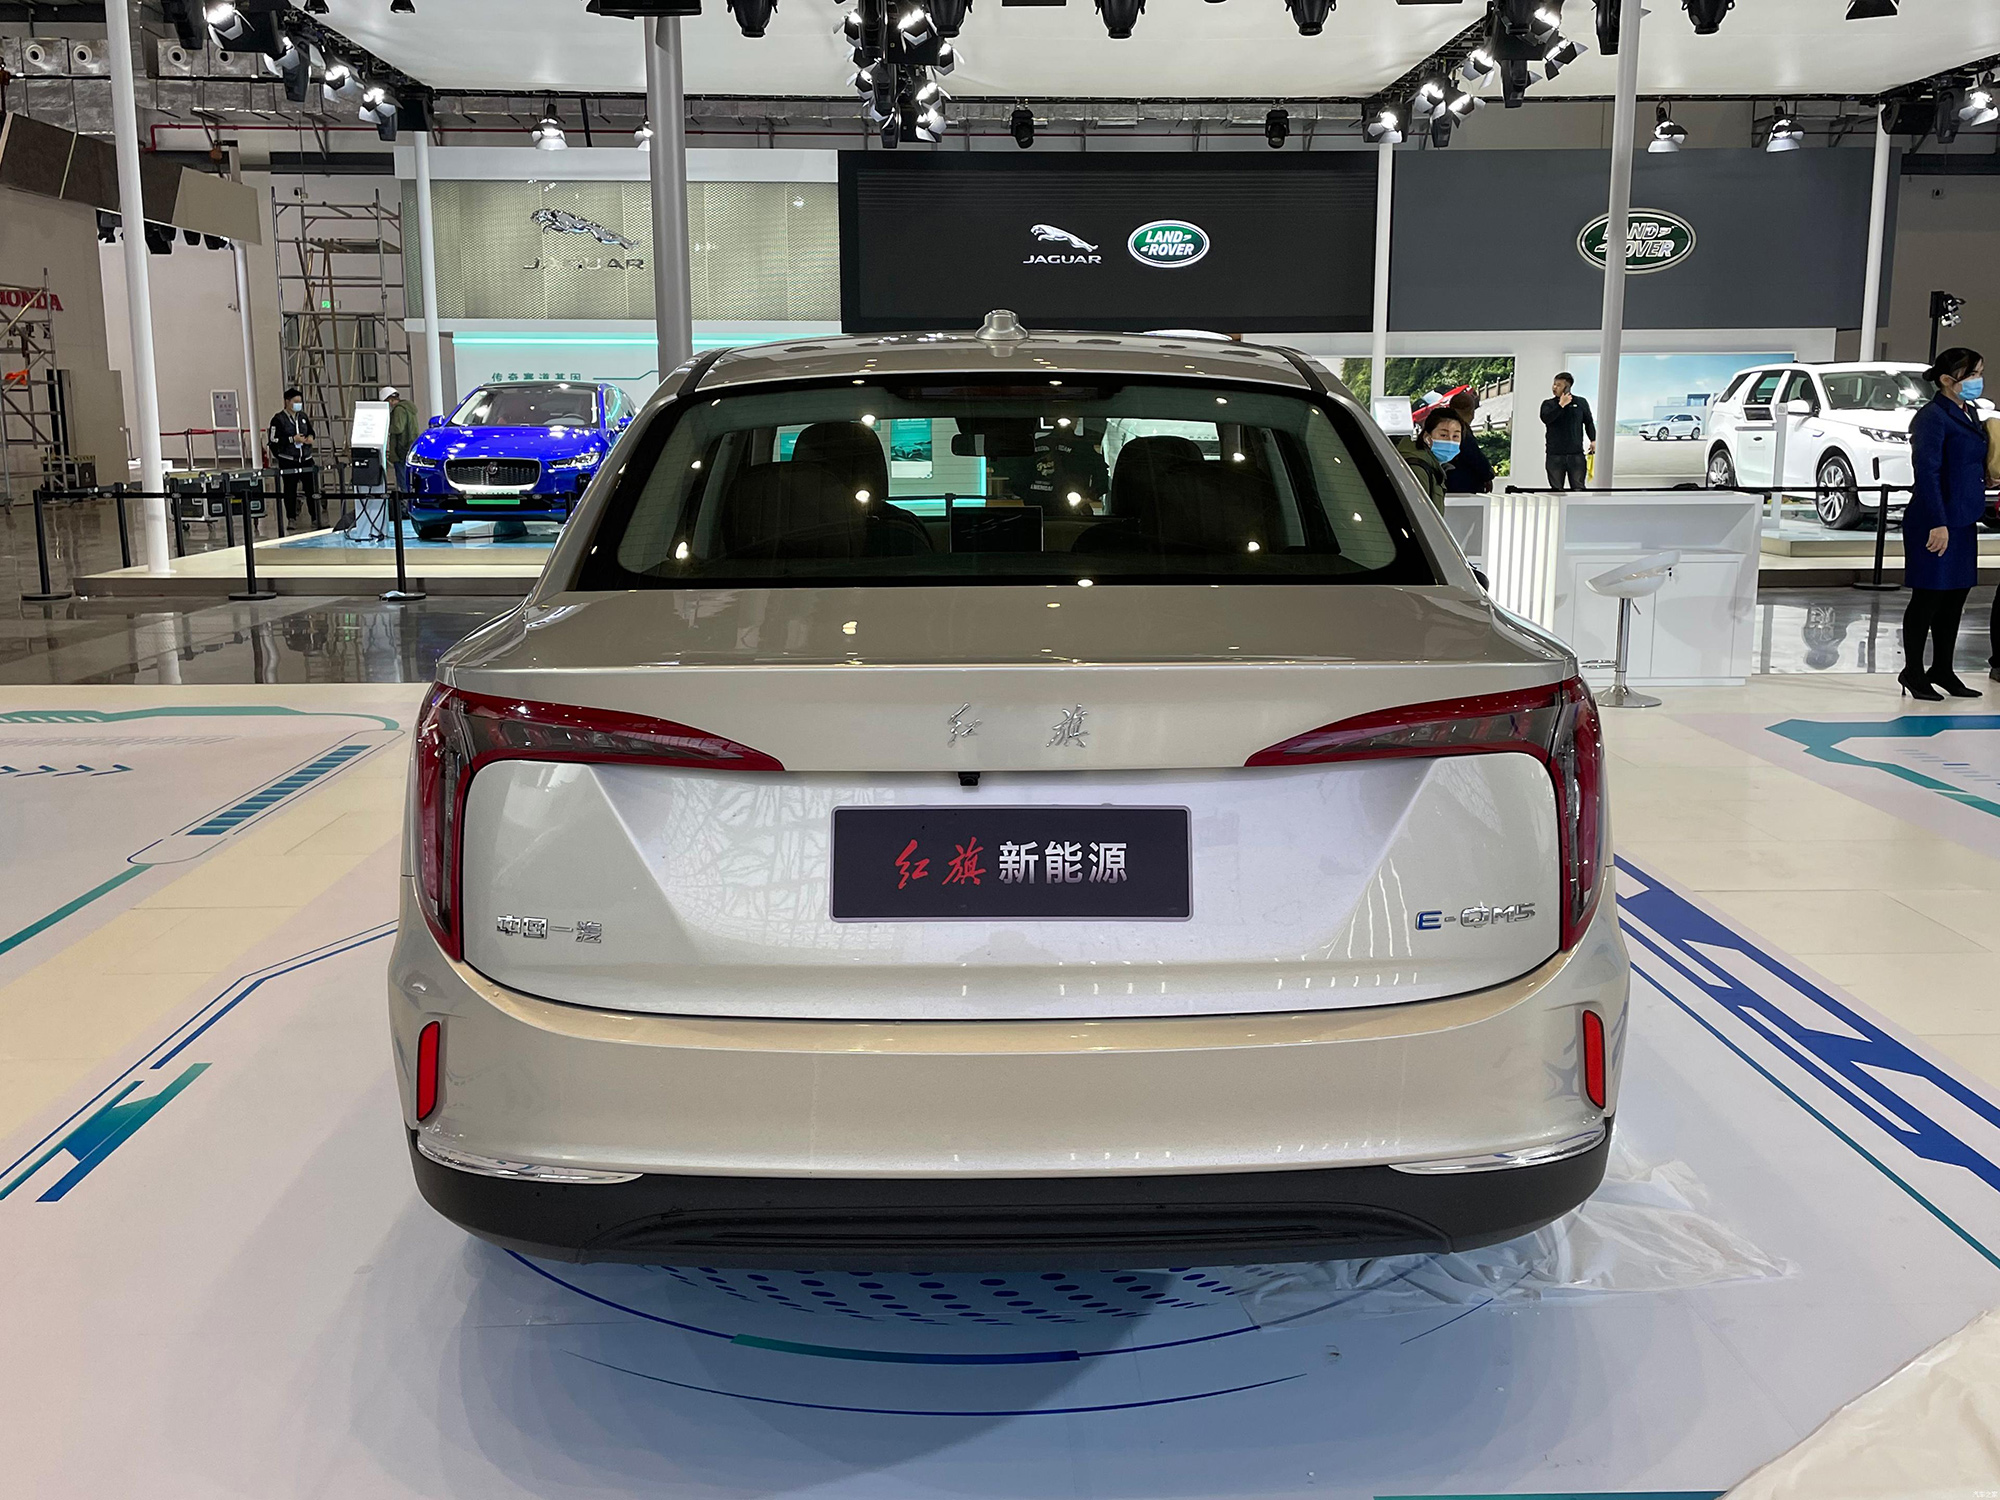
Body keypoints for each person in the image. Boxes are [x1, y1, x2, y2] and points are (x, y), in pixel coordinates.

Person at [1901, 347, 1988, 700]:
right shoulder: (1932, 417)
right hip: (1935, 519)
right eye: (1972, 375)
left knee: (1955, 597)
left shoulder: (1970, 412)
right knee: (1928, 596)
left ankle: (1942, 668)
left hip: (1963, 518)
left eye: (1979, 373)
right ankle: (1913, 671)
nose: (1978, 380)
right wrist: (1938, 523)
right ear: (1948, 380)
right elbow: (1927, 472)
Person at [1394, 407, 1463, 511]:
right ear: (1427, 437)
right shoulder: (1418, 468)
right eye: (1443, 435)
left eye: (1456, 436)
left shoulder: (1433, 467)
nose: (1450, 441)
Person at [267, 387, 317, 527]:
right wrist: (292, 439)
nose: (298, 404)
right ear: (287, 402)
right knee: (290, 490)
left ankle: (315, 516)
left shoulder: (303, 417)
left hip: (306, 459)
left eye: (300, 402)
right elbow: (273, 440)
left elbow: (311, 431)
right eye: (295, 402)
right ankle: (291, 517)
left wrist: (310, 437)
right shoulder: (278, 419)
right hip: (289, 460)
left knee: (311, 489)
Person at [1540, 372, 1596, 491]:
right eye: (1554, 384)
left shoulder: (1581, 402)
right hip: (1554, 455)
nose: (1554, 387)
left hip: (1576, 454)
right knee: (1556, 490)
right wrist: (1560, 405)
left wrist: (1593, 440)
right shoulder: (1548, 404)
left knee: (1578, 488)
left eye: (1558, 385)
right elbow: (1546, 419)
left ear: (1567, 387)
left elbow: (1589, 422)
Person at [1444, 387, 1495, 494]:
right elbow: (1476, 459)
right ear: (1471, 413)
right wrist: (1488, 475)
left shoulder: (1441, 429)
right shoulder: (1462, 432)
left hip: (1445, 486)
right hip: (1463, 489)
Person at [383, 385, 420, 481]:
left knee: (403, 479)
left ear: (390, 400)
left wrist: (384, 428)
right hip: (410, 446)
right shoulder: (408, 408)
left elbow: (398, 428)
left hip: (401, 449)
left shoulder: (399, 410)